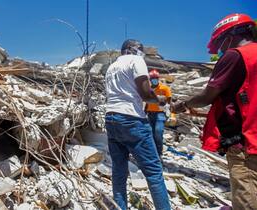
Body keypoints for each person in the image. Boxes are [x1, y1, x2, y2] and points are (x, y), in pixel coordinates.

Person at [172, 14, 257, 210]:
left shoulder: (235, 55)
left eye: (220, 44)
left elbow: (207, 96)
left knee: (247, 198)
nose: (220, 50)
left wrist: (182, 105)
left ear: (230, 35)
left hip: (245, 144)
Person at [105, 39, 170, 210]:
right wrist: (161, 101)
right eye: (141, 50)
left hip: (111, 118)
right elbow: (146, 93)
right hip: (132, 120)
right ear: (132, 49)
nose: (142, 53)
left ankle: (120, 207)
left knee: (119, 171)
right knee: (154, 172)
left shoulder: (111, 68)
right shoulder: (136, 60)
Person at [146, 69, 172, 158]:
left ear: (158, 78)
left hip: (160, 114)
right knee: (150, 133)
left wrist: (169, 112)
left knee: (158, 132)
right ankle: (152, 153)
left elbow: (169, 101)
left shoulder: (164, 88)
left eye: (155, 78)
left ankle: (159, 153)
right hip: (150, 114)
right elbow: (146, 102)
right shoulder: (148, 89)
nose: (154, 80)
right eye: (152, 78)